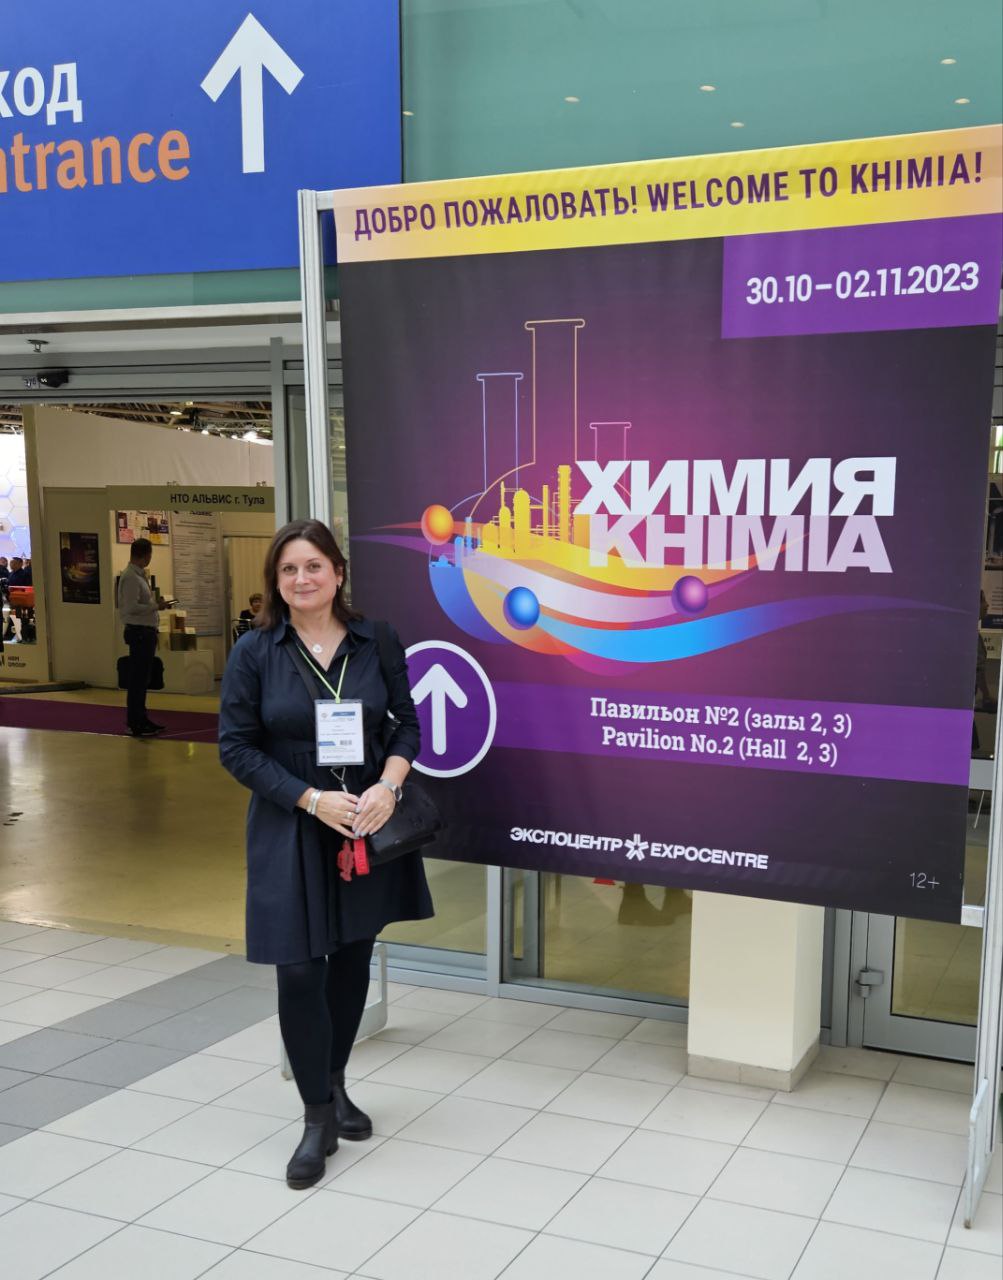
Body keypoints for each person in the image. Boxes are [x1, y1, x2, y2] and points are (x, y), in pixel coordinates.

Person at [219, 519, 433, 1190]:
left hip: (364, 825)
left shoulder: (377, 640)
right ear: (275, 582)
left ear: (338, 573)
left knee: (349, 964)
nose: (302, 578)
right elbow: (235, 746)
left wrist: (387, 787)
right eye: (288, 569)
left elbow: (406, 724)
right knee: (298, 972)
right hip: (291, 824)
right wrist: (310, 799)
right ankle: (315, 1117)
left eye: (314, 565)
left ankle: (336, 1085)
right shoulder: (256, 651)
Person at [118, 538, 166, 737]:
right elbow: (131, 607)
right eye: (150, 554)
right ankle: (135, 722)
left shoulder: (138, 575)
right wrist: (156, 606)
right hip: (139, 633)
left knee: (143, 679)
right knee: (138, 680)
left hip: (145, 632)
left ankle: (141, 718)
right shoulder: (131, 577)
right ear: (145, 555)